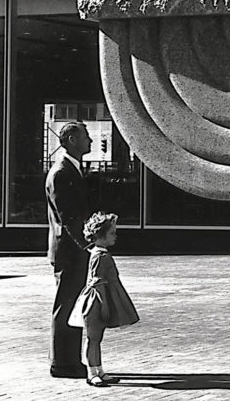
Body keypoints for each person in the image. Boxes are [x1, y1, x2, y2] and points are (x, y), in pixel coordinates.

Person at [68, 212, 140, 387]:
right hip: (96, 302)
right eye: (112, 233)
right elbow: (97, 282)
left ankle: (99, 369)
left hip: (99, 300)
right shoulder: (101, 256)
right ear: (101, 235)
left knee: (96, 338)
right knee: (93, 338)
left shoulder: (99, 253)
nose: (115, 236)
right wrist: (105, 305)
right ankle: (92, 373)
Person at [45, 121, 93, 379]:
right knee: (66, 305)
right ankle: (62, 364)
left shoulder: (70, 169)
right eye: (86, 136)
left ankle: (68, 361)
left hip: (72, 250)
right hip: (70, 251)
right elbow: (69, 217)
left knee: (71, 305)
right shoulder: (62, 172)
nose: (91, 141)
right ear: (72, 139)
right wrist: (89, 245)